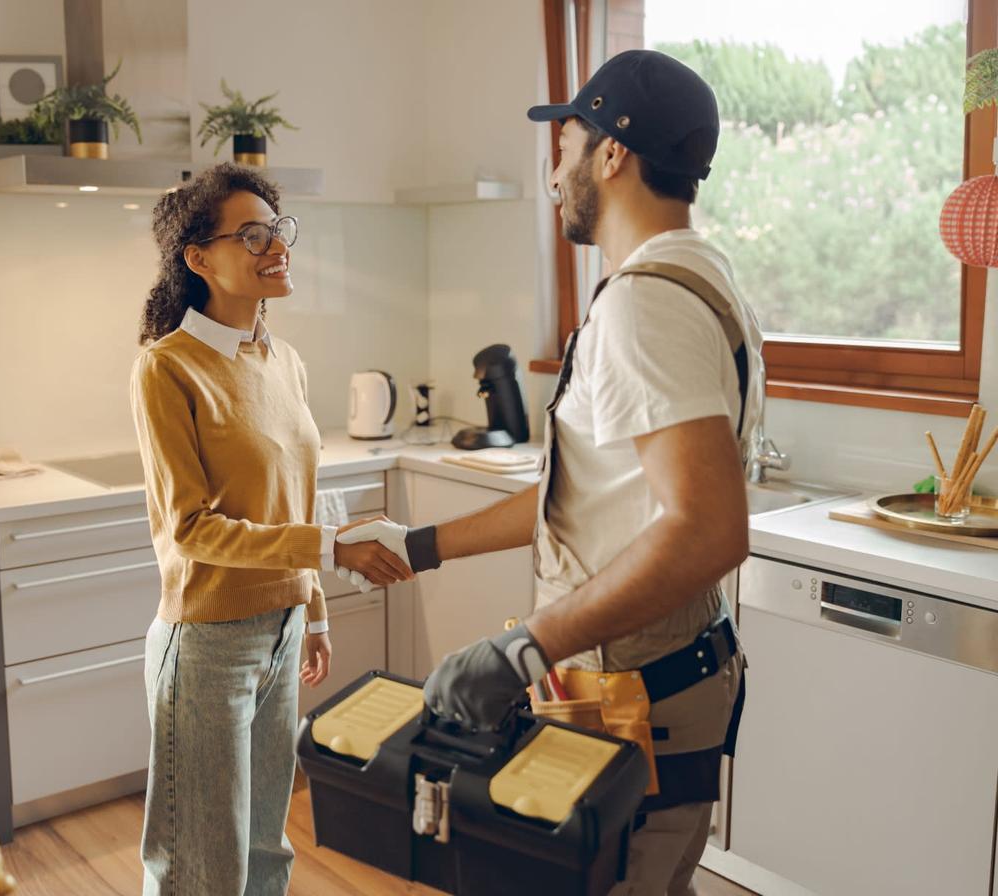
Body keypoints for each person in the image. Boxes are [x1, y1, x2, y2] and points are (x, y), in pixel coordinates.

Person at [337, 50, 765, 894]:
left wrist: (524, 649)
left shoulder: (643, 304)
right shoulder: (703, 276)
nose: (554, 171)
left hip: (638, 681)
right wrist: (420, 545)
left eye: (566, 144)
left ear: (613, 154)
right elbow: (589, 499)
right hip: (665, 670)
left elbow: (709, 528)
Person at [131, 162, 413, 896]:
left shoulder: (283, 360)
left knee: (264, 847)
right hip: (207, 644)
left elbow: (301, 496)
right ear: (199, 260)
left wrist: (311, 608)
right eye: (251, 234)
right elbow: (192, 529)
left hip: (283, 630)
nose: (275, 245)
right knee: (202, 861)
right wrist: (329, 552)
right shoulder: (169, 370)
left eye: (278, 229)